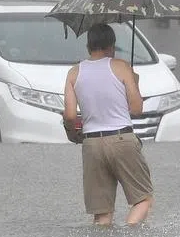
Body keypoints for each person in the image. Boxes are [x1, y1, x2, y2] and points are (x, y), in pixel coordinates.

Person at [63, 24, 154, 226]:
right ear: (112, 46)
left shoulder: (74, 73)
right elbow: (137, 108)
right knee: (143, 200)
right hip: (122, 140)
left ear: (88, 46)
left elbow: (70, 116)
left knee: (102, 215)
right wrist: (134, 83)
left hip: (92, 144)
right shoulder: (121, 67)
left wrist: (72, 133)